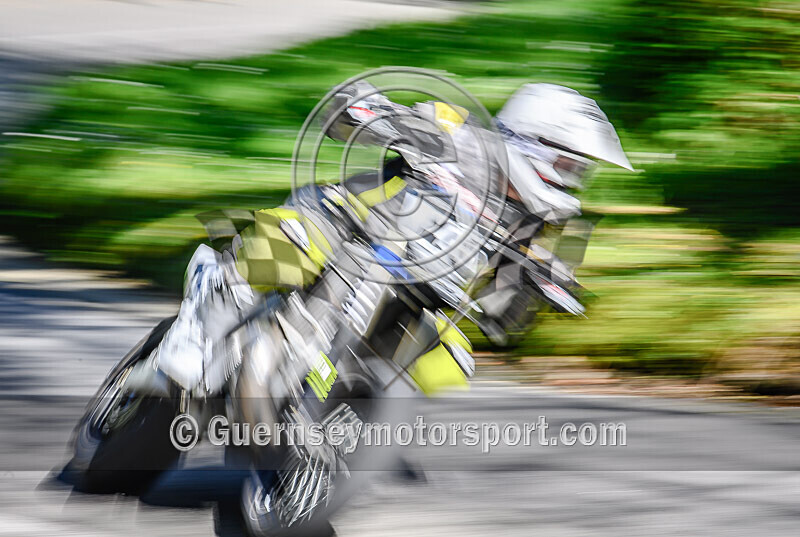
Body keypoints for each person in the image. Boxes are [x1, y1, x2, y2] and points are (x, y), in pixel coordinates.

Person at [149, 80, 632, 389]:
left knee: (452, 363)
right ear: (532, 137)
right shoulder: (462, 138)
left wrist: (543, 284)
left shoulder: (534, 222)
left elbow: (501, 315)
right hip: (347, 232)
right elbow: (365, 119)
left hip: (419, 294)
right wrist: (371, 112)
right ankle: (207, 308)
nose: (573, 177)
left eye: (579, 168)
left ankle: (347, 425)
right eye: (568, 162)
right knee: (295, 241)